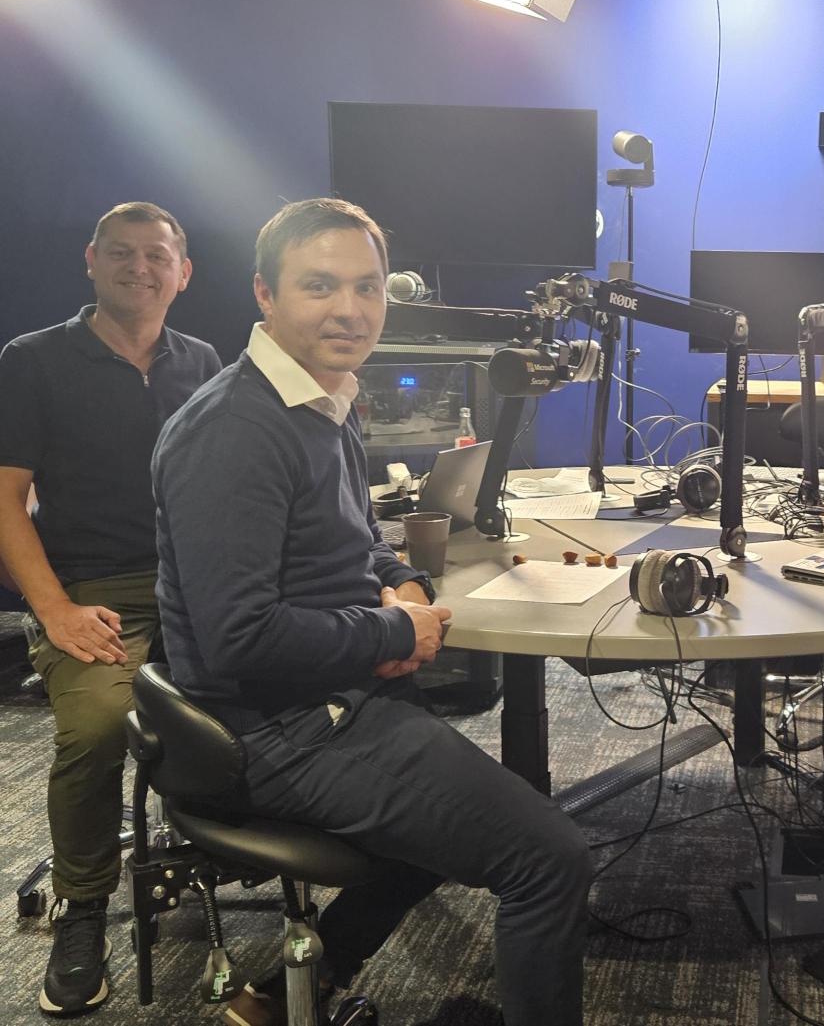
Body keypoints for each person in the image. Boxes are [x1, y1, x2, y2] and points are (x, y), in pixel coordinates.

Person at [151, 198, 591, 1026]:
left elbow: (358, 543)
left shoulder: (323, 398)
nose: (349, 308)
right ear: (265, 294)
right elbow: (240, 636)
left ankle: (281, 997)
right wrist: (393, 630)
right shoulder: (234, 430)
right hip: (273, 729)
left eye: (367, 286)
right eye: (319, 285)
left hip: (331, 698)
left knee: (463, 823)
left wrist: (406, 583)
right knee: (551, 858)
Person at [0, 202, 221, 1017]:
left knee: (280, 683)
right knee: (96, 725)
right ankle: (83, 905)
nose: (140, 268)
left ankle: (236, 850)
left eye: (157, 255)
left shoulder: (202, 359)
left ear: (182, 272)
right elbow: (5, 500)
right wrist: (55, 609)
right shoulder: (32, 359)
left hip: (196, 581)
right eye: (121, 253)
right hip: (92, 591)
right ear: (91, 261)